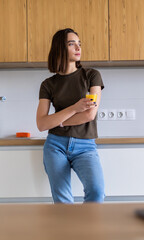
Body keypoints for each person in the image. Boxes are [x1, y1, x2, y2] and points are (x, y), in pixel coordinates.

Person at [36, 28, 105, 203]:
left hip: (85, 145)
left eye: (79, 43)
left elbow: (89, 114)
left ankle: (89, 231)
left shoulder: (92, 76)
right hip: (55, 146)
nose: (78, 47)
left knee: (97, 192)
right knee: (62, 200)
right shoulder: (48, 84)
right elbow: (42, 124)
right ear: (60, 48)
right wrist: (74, 108)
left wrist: (58, 121)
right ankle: (69, 232)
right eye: (71, 43)